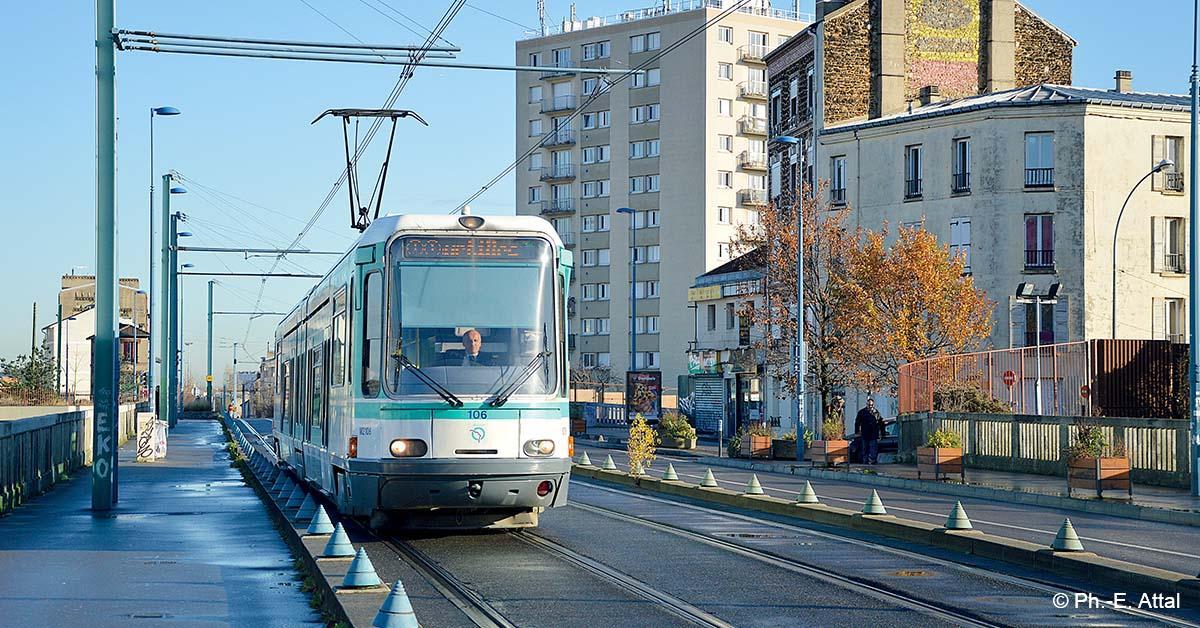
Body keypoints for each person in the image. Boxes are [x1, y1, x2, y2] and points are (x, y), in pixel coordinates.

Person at [854, 398, 882, 465]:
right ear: (866, 405)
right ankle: (865, 462)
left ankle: (872, 461)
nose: (870, 406)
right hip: (865, 433)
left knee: (873, 448)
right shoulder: (862, 412)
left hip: (873, 434)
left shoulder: (876, 412)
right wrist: (857, 431)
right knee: (865, 448)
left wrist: (881, 433)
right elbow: (857, 423)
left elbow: (880, 423)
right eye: (869, 405)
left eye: (872, 405)